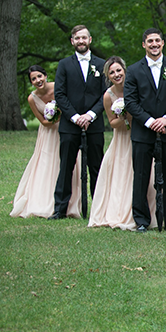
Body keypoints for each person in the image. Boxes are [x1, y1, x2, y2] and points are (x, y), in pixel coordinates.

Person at [124, 28, 166, 233]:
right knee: (141, 175)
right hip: (143, 131)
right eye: (150, 41)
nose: (154, 44)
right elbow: (130, 102)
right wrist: (150, 121)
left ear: (163, 43)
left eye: (157, 40)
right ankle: (141, 220)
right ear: (144, 44)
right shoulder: (133, 70)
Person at [88, 57, 157, 230]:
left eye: (119, 70)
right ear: (108, 76)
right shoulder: (108, 95)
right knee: (121, 174)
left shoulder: (136, 87)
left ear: (125, 71)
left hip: (140, 135)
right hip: (121, 139)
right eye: (112, 72)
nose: (116, 74)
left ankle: (146, 211)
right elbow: (111, 122)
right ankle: (120, 212)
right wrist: (125, 117)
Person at [50, 25, 106, 220]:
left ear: (90, 40)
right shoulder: (64, 64)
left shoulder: (101, 64)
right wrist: (75, 117)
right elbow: (60, 94)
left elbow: (104, 95)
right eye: (77, 38)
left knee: (96, 167)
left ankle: (99, 209)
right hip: (69, 125)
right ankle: (60, 209)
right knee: (66, 166)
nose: (81, 41)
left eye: (84, 38)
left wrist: (90, 115)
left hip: (94, 124)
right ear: (72, 41)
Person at [11, 66, 82, 219]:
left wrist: (61, 115)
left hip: (66, 129)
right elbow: (43, 122)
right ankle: (45, 201)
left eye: (39, 76)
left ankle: (67, 202)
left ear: (45, 75)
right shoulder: (32, 98)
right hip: (48, 133)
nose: (38, 81)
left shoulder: (58, 87)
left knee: (64, 163)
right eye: (33, 79)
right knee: (47, 164)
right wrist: (54, 116)